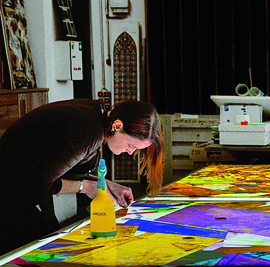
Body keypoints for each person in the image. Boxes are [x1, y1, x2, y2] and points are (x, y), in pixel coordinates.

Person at [0, 99, 163, 256]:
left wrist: (106, 184)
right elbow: (40, 183)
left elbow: (59, 168)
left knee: (50, 235)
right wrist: (85, 187)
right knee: (37, 250)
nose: (130, 153)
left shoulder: (96, 114)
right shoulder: (89, 132)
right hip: (9, 185)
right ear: (118, 125)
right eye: (131, 146)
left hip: (24, 178)